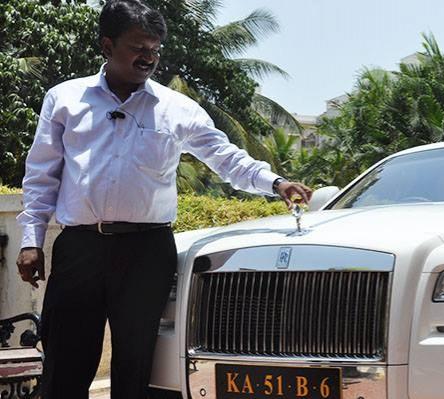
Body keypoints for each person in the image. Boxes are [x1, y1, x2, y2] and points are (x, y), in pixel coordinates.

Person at [14, 1, 312, 398]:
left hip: (146, 251)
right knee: (65, 364)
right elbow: (41, 175)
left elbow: (226, 158)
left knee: (136, 366)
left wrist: (275, 182)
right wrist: (31, 241)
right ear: (107, 45)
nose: (149, 57)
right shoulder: (65, 99)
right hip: (80, 248)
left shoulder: (177, 109)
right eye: (138, 47)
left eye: (155, 49)